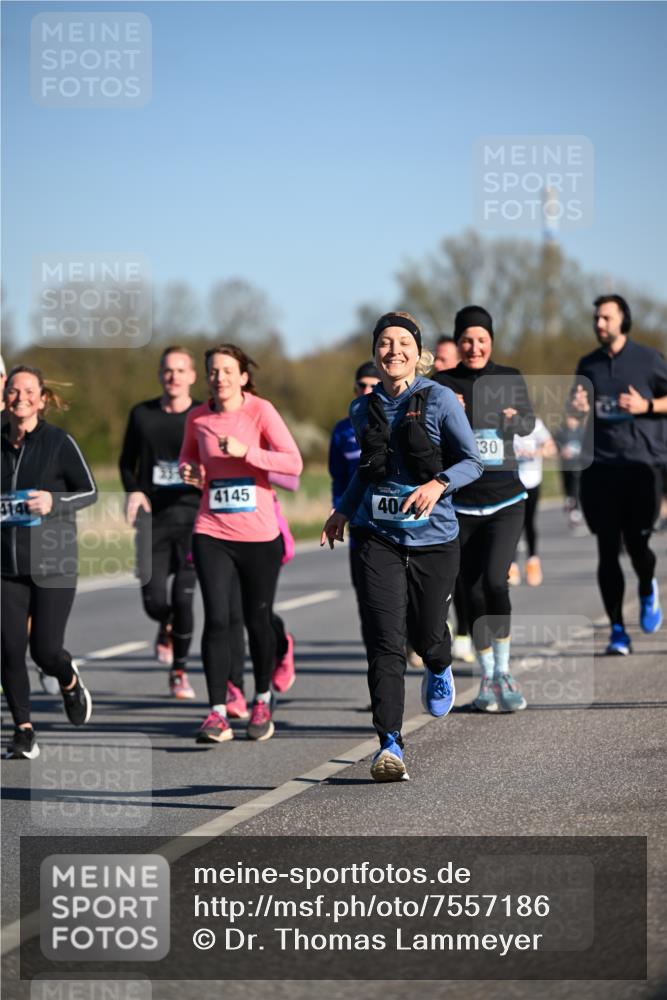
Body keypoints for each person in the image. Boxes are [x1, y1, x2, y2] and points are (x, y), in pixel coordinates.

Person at [321, 311, 482, 782]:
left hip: (435, 538)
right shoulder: (361, 409)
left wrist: (438, 484)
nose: (393, 351)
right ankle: (389, 743)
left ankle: (438, 661)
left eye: (403, 343)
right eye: (385, 343)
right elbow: (366, 472)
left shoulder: (439, 400)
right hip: (378, 537)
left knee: (427, 634)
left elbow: (472, 462)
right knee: (384, 639)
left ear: (418, 352)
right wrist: (343, 510)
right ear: (375, 352)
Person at [179, 344, 303, 744]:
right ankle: (217, 712)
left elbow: (293, 463)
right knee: (217, 618)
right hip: (211, 530)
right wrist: (189, 471)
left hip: (259, 536)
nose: (220, 378)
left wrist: (247, 452)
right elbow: (188, 460)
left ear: (243, 376)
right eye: (214, 371)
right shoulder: (197, 417)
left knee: (256, 620)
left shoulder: (260, 411)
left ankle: (262, 700)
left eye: (228, 371)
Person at [434, 305, 535, 714]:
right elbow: (425, 435)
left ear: (491, 341)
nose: (474, 347)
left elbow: (527, 423)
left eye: (482, 340)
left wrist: (513, 418)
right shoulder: (441, 383)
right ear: (458, 343)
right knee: (471, 591)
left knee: (495, 581)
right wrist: (448, 411)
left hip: (505, 500)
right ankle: (488, 675)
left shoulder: (509, 377)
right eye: (467, 340)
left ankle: (505, 671)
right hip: (460, 505)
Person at [1, 365, 97, 759]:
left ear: (42, 400)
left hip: (54, 564)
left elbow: (89, 491)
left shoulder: (59, 441)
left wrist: (54, 501)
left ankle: (68, 680)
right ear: (4, 397)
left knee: (45, 650)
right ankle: (23, 729)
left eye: (28, 392)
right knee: (9, 649)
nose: (20, 397)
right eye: (13, 390)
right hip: (6, 567)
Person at [570, 294, 667, 655]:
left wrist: (647, 405)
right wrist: (577, 408)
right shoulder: (588, 364)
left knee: (638, 545)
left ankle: (646, 585)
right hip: (600, 469)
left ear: (623, 320)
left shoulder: (649, 359)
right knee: (607, 550)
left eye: (606, 318)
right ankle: (617, 631)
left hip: (641, 467)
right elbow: (575, 414)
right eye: (596, 318)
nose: (599, 324)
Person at [119, 346, 201, 699]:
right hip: (153, 520)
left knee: (183, 599)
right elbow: (126, 462)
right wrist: (134, 491)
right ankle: (165, 625)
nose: (173, 376)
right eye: (168, 370)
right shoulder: (142, 414)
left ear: (192, 376)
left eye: (181, 370)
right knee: (154, 601)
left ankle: (179, 671)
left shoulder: (203, 414)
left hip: (193, 518)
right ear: (159, 374)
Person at [508, 417, 557, 586]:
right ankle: (512, 564)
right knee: (513, 524)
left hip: (532, 481)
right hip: (513, 481)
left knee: (529, 522)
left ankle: (533, 561)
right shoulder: (505, 422)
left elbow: (551, 447)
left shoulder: (536, 424)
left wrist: (535, 453)